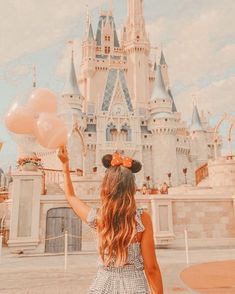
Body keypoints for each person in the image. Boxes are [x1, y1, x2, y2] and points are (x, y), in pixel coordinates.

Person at [58, 147, 164, 294]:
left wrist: (65, 165)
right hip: (134, 287)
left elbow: (71, 197)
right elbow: (151, 269)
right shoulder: (142, 219)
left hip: (103, 286)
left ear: (107, 187)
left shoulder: (99, 217)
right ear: (131, 187)